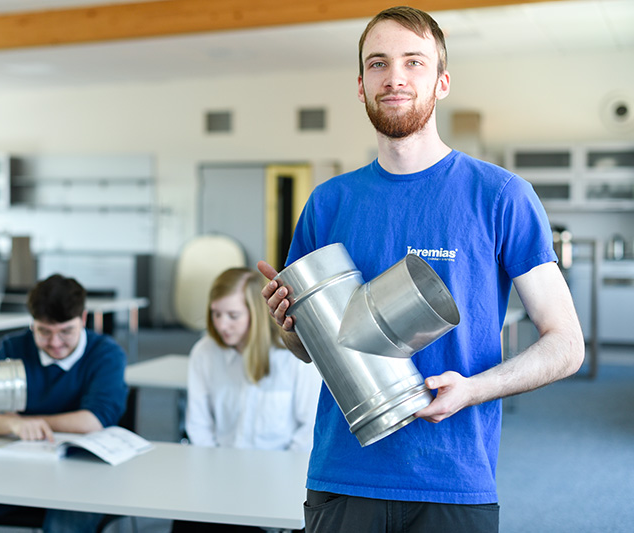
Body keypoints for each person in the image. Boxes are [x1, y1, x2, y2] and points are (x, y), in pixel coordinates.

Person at [258, 6, 585, 533]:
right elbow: (313, 350)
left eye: (414, 62)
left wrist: (473, 390)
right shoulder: (328, 203)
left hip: (454, 476)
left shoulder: (500, 196)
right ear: (360, 84)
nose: (395, 77)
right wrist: (290, 329)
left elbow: (567, 344)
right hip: (344, 473)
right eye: (378, 63)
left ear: (442, 81)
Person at [0, 274, 129, 533]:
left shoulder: (106, 354)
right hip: (15, 473)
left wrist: (21, 422)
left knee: (64, 522)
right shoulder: (13, 348)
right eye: (44, 332)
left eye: (66, 332)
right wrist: (13, 424)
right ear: (32, 324)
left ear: (82, 319)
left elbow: (92, 421)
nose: (55, 343)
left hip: (81, 480)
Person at [172, 267, 320, 533]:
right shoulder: (205, 352)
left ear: (255, 313)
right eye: (216, 314)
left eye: (233, 315)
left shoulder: (292, 358)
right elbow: (199, 427)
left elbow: (307, 431)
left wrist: (274, 481)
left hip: (277, 481)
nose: (222, 324)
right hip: (219, 478)